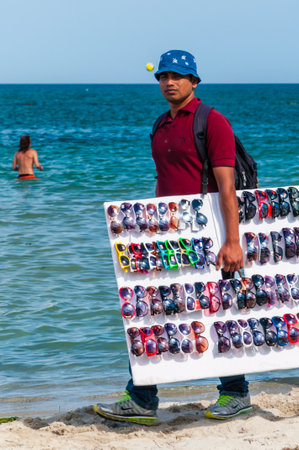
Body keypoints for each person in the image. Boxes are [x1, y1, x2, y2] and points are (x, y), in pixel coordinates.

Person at [94, 50, 252, 425]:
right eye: (163, 76)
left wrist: (233, 241)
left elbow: (226, 187)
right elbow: (163, 181)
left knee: (216, 309)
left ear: (194, 82)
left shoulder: (212, 121)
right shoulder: (160, 124)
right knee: (156, 311)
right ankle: (144, 399)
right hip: (169, 234)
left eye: (178, 76)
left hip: (207, 233)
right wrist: (146, 229)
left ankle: (235, 393)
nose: (169, 82)